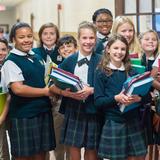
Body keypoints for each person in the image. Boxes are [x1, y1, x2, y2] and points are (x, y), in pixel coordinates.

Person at [1, 22, 56, 160]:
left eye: (29, 36)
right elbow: (18, 89)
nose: (26, 40)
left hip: (42, 112)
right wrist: (46, 92)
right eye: (22, 37)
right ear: (13, 40)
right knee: (24, 156)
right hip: (24, 115)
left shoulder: (36, 57)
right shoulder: (11, 61)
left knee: (41, 154)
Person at [49, 21, 101, 160]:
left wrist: (92, 90)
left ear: (96, 39)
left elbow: (108, 87)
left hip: (93, 109)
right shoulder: (69, 61)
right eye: (84, 38)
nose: (88, 41)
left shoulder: (102, 61)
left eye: (91, 38)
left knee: (91, 150)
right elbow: (52, 86)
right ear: (78, 39)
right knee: (74, 149)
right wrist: (65, 93)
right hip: (73, 109)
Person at [94, 34, 147, 160]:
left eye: (123, 49)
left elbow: (146, 97)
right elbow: (98, 101)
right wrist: (116, 98)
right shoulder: (101, 72)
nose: (119, 52)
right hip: (114, 122)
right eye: (115, 48)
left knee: (139, 156)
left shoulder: (132, 71)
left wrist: (139, 99)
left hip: (133, 121)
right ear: (108, 49)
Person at [51, 34, 77, 160]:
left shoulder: (80, 65)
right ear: (59, 52)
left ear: (76, 48)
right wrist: (62, 91)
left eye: (69, 46)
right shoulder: (58, 67)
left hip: (78, 106)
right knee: (59, 141)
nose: (66, 49)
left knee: (73, 143)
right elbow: (51, 87)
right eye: (62, 47)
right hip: (60, 106)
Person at [0, 38, 10, 160]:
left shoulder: (9, 66)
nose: (1, 52)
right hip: (0, 113)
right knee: (2, 148)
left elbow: (9, 96)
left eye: (3, 49)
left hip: (11, 111)